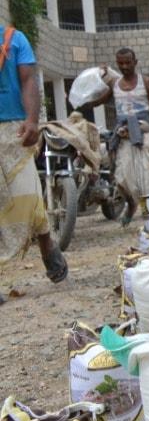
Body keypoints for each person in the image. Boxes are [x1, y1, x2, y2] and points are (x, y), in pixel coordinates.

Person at [0, 24, 68, 300]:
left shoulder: (15, 39)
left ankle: (45, 241)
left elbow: (28, 80)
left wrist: (31, 120)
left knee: (26, 195)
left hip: (15, 128)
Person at [93, 48, 149, 223]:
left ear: (135, 62)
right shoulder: (114, 84)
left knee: (147, 175)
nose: (124, 66)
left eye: (128, 62)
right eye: (120, 63)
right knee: (122, 177)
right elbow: (99, 100)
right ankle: (131, 203)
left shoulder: (147, 82)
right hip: (123, 135)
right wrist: (83, 101)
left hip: (144, 134)